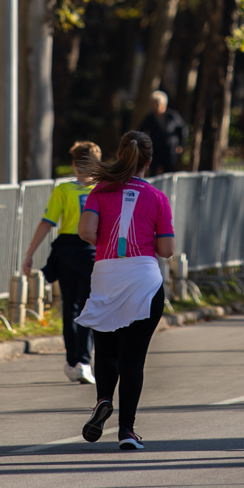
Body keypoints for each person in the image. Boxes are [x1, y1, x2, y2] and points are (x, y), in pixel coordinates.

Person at [75, 131, 176, 451]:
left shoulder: (100, 190)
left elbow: (85, 231)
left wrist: (106, 243)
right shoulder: (157, 197)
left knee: (105, 350)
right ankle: (127, 432)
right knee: (133, 360)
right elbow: (167, 250)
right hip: (144, 279)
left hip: (107, 274)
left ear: (120, 155)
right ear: (149, 161)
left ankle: (103, 399)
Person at [22, 140, 100, 385]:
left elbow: (48, 222)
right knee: (89, 307)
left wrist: (30, 253)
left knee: (70, 308)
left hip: (66, 251)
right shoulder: (103, 190)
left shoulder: (64, 190)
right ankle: (84, 361)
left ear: (74, 165)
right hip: (92, 251)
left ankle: (72, 361)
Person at [136, 91, 187, 176]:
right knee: (153, 173)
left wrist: (181, 145)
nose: (155, 106)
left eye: (157, 103)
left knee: (168, 173)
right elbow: (140, 131)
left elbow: (183, 129)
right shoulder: (149, 118)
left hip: (169, 150)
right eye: (153, 103)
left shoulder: (172, 116)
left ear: (163, 104)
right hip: (155, 150)